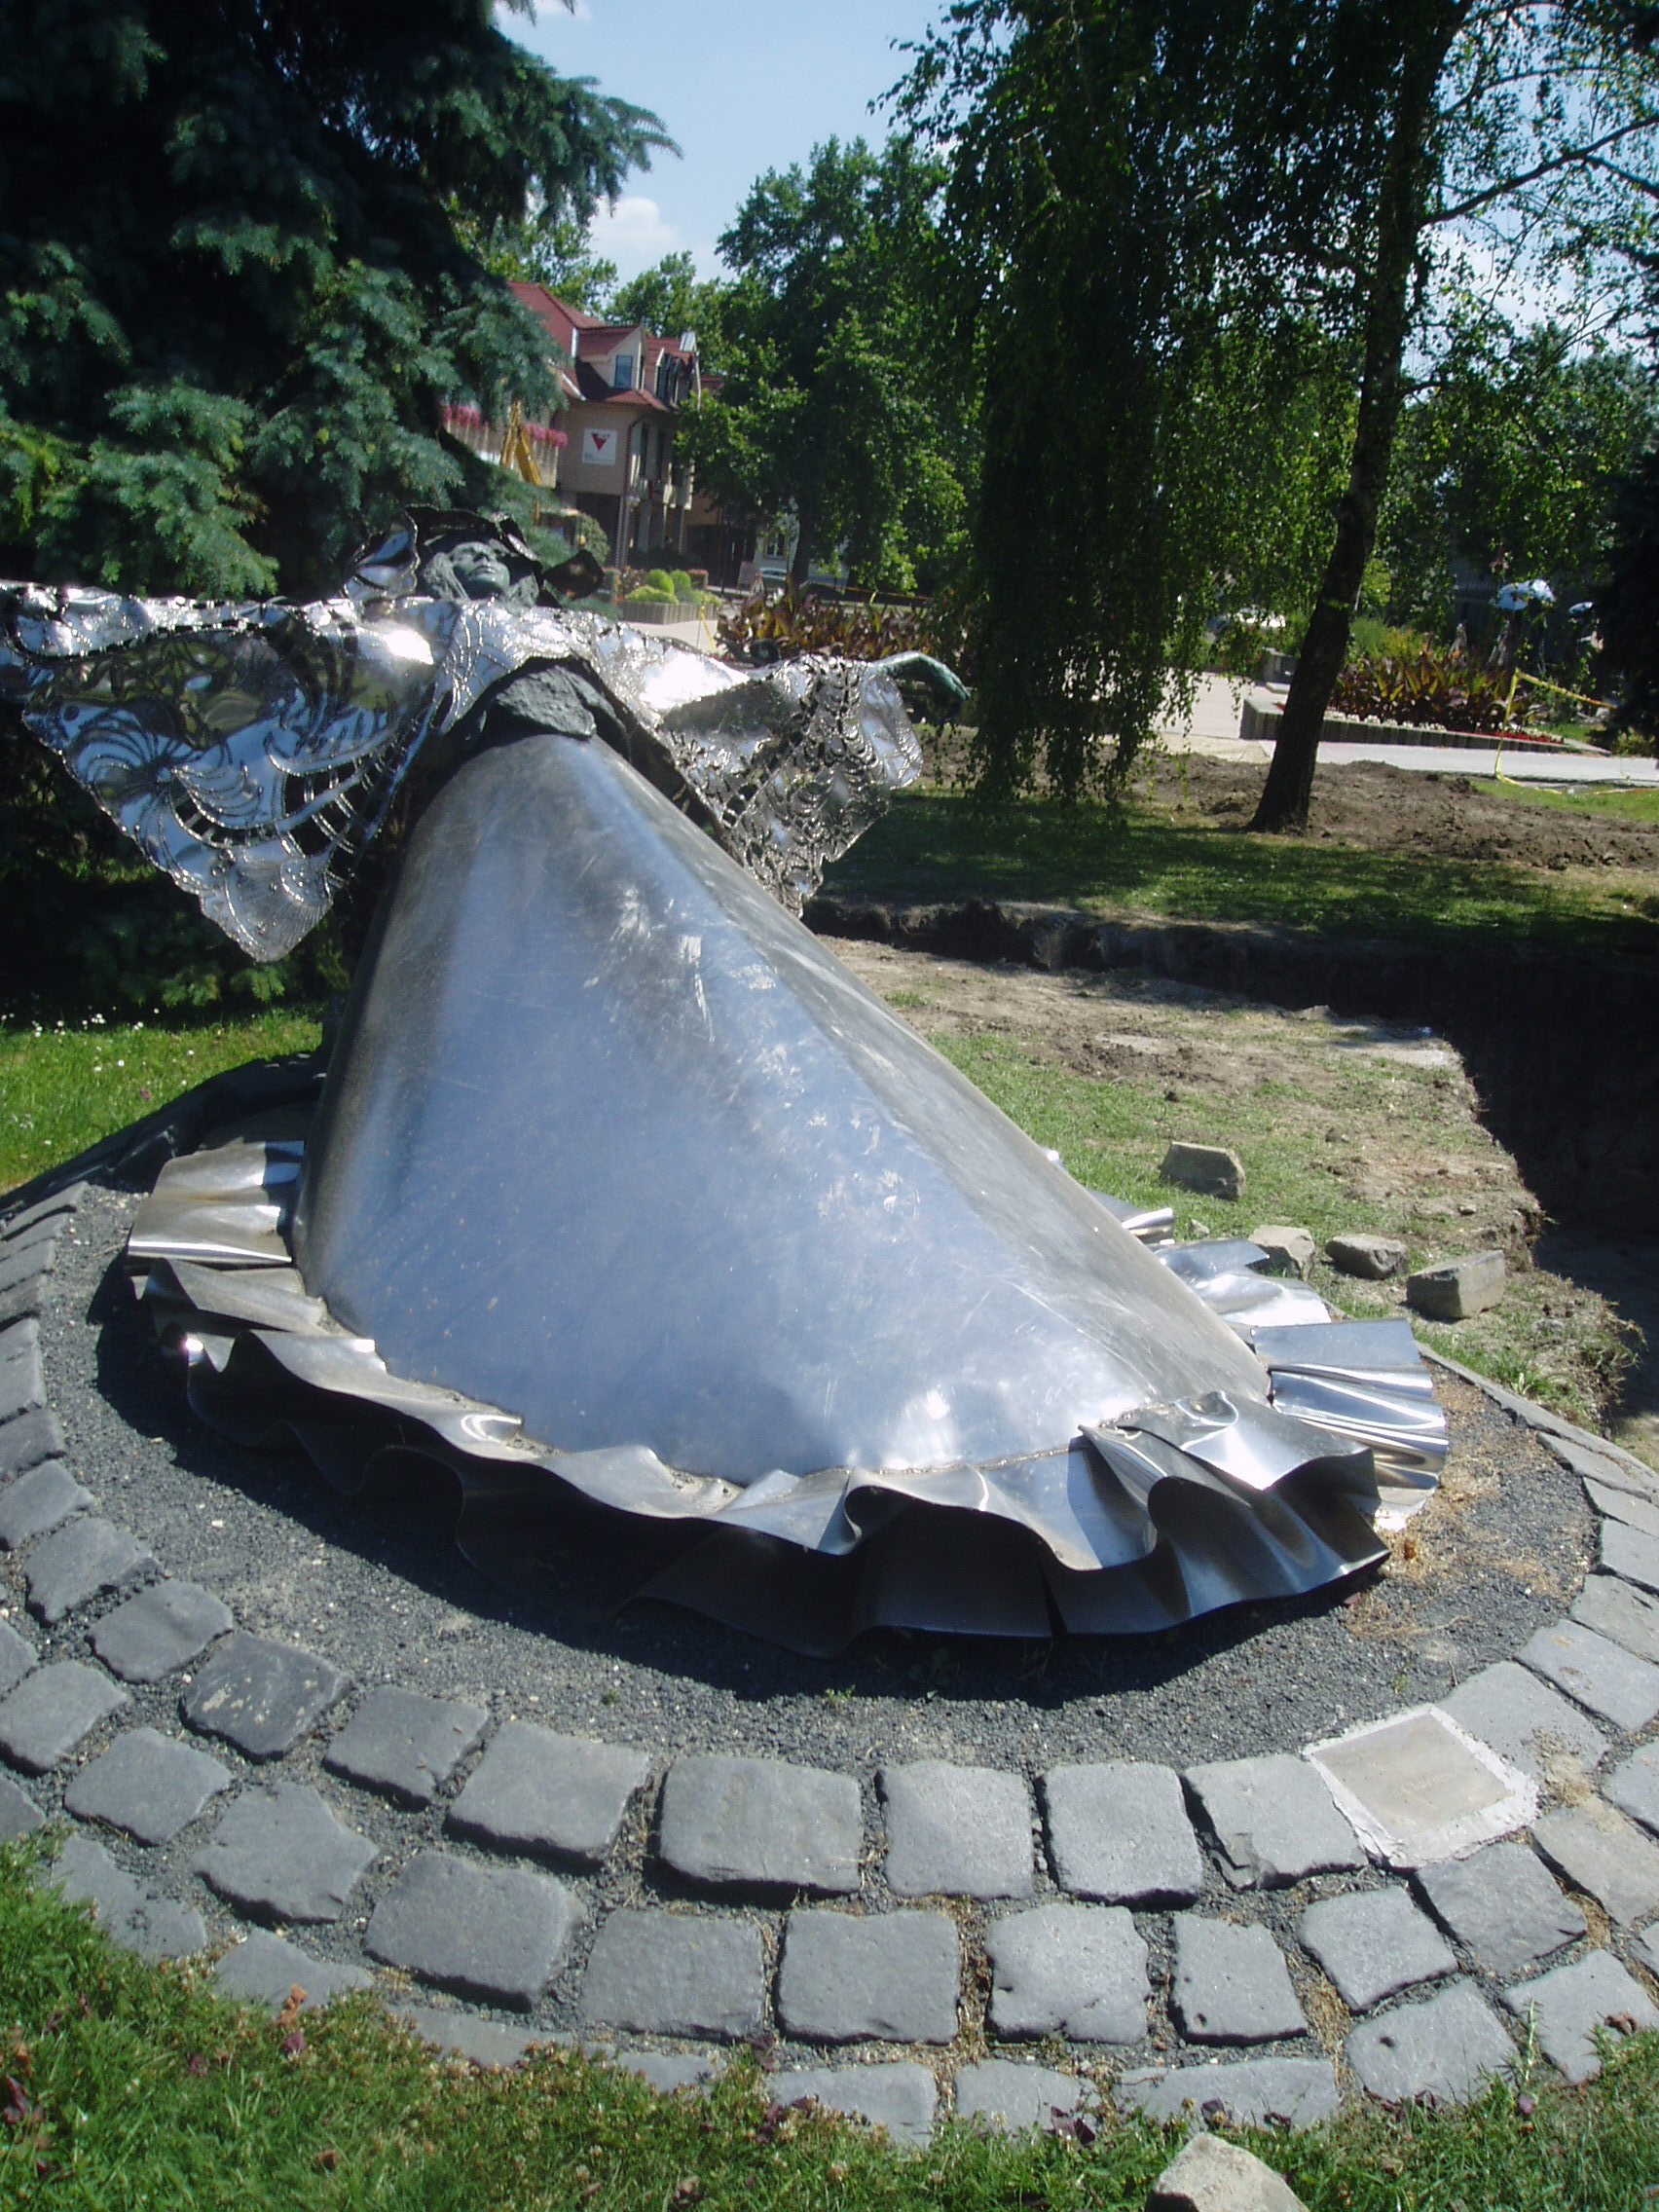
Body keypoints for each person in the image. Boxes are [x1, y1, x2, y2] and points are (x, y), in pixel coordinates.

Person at [2, 515, 1442, 1649]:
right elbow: (250, 669)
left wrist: (878, 679)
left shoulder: (504, 646)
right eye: (470, 564)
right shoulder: (478, 645)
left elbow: (715, 704)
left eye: (485, 565)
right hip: (531, 866)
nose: (485, 579)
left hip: (595, 869)